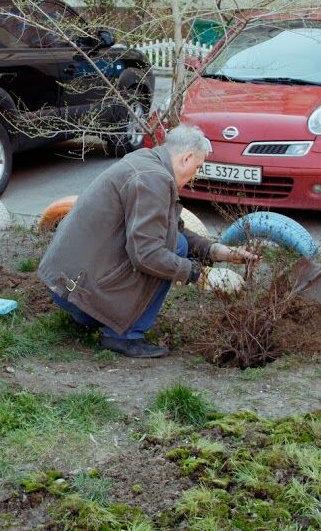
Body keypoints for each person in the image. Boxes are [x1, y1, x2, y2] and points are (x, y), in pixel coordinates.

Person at [37, 124, 256, 358]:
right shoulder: (153, 179)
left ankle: (105, 318)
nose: (195, 175)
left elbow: (173, 228)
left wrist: (218, 252)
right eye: (197, 167)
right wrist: (198, 274)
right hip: (79, 295)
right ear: (187, 158)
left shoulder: (147, 163)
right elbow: (147, 255)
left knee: (174, 243)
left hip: (67, 285)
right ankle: (124, 336)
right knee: (173, 249)